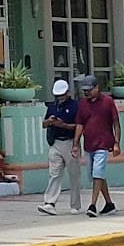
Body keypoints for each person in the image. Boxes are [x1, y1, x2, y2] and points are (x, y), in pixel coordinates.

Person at [38, 78, 84, 215]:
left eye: (62, 95)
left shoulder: (75, 106)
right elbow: (43, 124)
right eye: (58, 95)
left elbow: (78, 126)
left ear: (68, 93)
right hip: (55, 142)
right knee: (54, 173)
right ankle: (50, 202)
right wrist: (50, 121)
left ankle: (75, 205)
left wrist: (63, 125)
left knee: (74, 175)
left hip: (70, 142)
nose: (60, 98)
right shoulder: (52, 106)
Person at [76, 75, 120, 217]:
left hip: (103, 143)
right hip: (89, 144)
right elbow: (80, 124)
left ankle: (93, 205)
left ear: (97, 88)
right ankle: (109, 204)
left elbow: (116, 123)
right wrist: (75, 143)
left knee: (97, 173)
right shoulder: (83, 104)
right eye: (85, 91)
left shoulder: (107, 102)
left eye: (89, 90)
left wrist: (116, 143)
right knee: (95, 175)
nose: (87, 93)